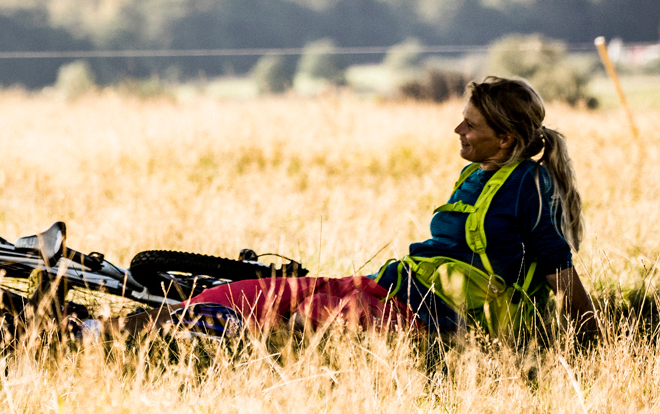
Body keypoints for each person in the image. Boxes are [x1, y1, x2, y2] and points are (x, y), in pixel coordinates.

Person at [148, 76, 601, 340]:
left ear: (505, 138)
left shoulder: (527, 184)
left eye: (471, 122)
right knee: (245, 293)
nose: (457, 128)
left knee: (292, 322)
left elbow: (556, 262)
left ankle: (130, 335)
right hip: (390, 289)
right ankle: (98, 332)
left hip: (430, 317)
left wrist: (589, 340)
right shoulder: (479, 173)